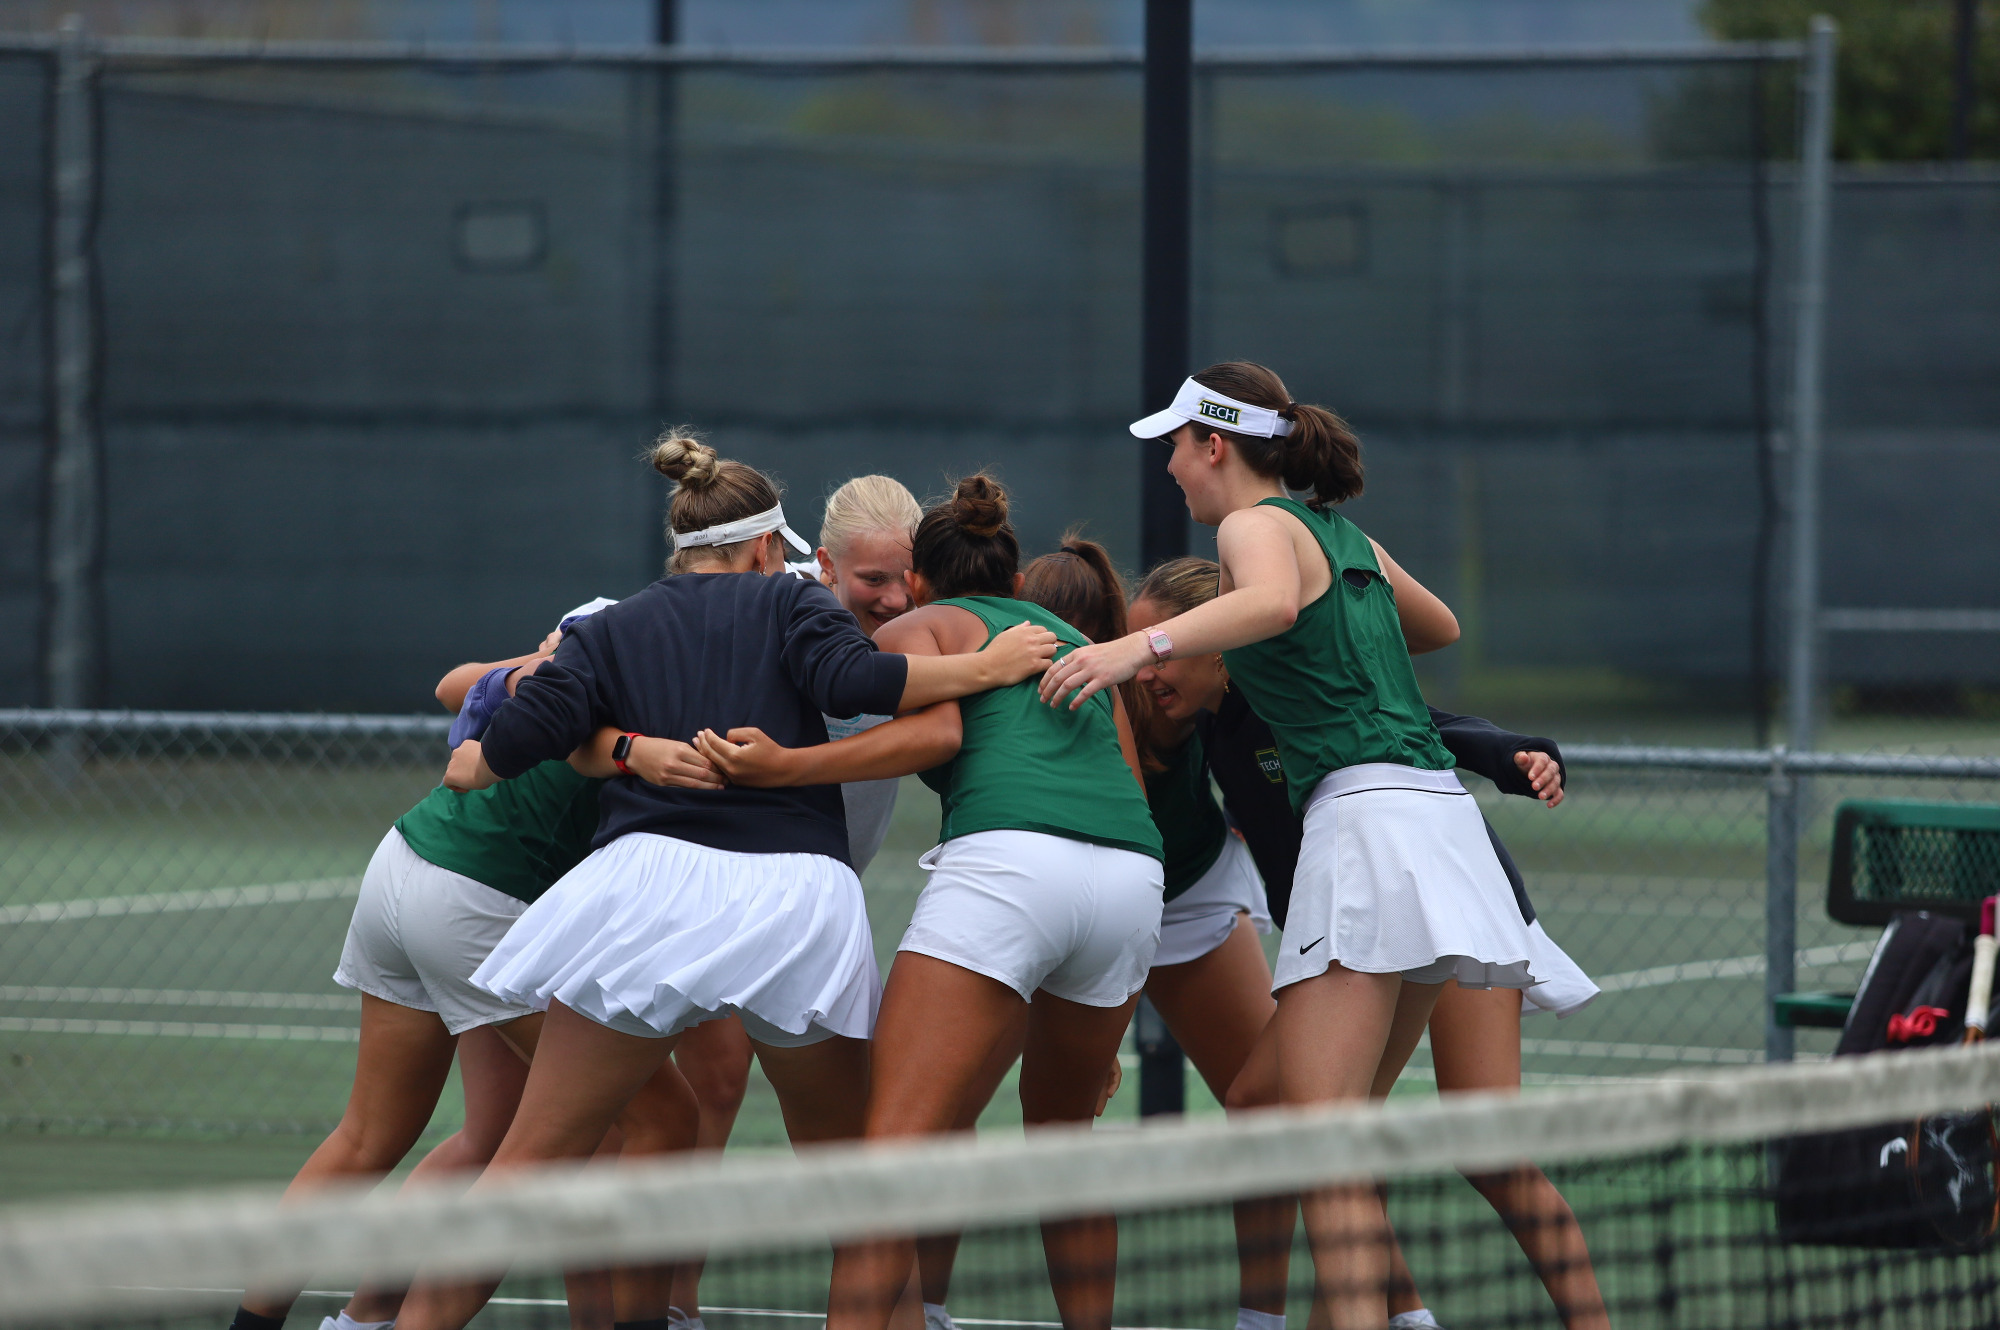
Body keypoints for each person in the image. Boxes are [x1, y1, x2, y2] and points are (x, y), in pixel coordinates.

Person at [394, 436, 1058, 1330]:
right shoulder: (794, 606)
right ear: (766, 550)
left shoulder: (607, 627)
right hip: (793, 902)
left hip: (640, 899)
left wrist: (476, 760)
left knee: (527, 1161)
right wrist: (988, 664)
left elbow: (507, 740)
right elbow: (859, 678)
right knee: (859, 1191)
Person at [1040, 362, 1541, 1330]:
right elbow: (1433, 625)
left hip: (1363, 825)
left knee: (1316, 1137)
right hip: (1430, 820)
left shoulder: (1248, 527)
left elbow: (1267, 607)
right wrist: (1334, 625)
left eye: (1176, 449)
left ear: (1213, 444)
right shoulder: (1337, 534)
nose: (1172, 470)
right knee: (1312, 1122)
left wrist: (1127, 648)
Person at [692, 475, 1166, 1330]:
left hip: (1012, 866)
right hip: (1132, 879)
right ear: (1015, 581)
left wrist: (782, 766)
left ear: (920, 582)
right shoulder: (1072, 640)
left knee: (888, 1155)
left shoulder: (922, 628)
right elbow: (1129, 785)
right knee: (1063, 1139)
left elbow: (937, 731)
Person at [1132, 557, 1608, 1330]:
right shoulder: (1199, 731)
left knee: (1483, 1148)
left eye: (1163, 647)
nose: (1147, 668)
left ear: (1222, 639)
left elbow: (1423, 721)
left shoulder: (1286, 691)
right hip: (1362, 929)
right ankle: (1391, 1316)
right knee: (1279, 1110)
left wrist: (1512, 753)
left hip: (1450, 900)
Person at [226, 599, 674, 1330]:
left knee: (372, 1134)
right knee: (631, 1122)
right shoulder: (628, 693)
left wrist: (535, 664)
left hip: (402, 865)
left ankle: (320, 1323)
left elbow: (454, 685)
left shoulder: (551, 677)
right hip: (473, 902)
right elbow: (590, 746)